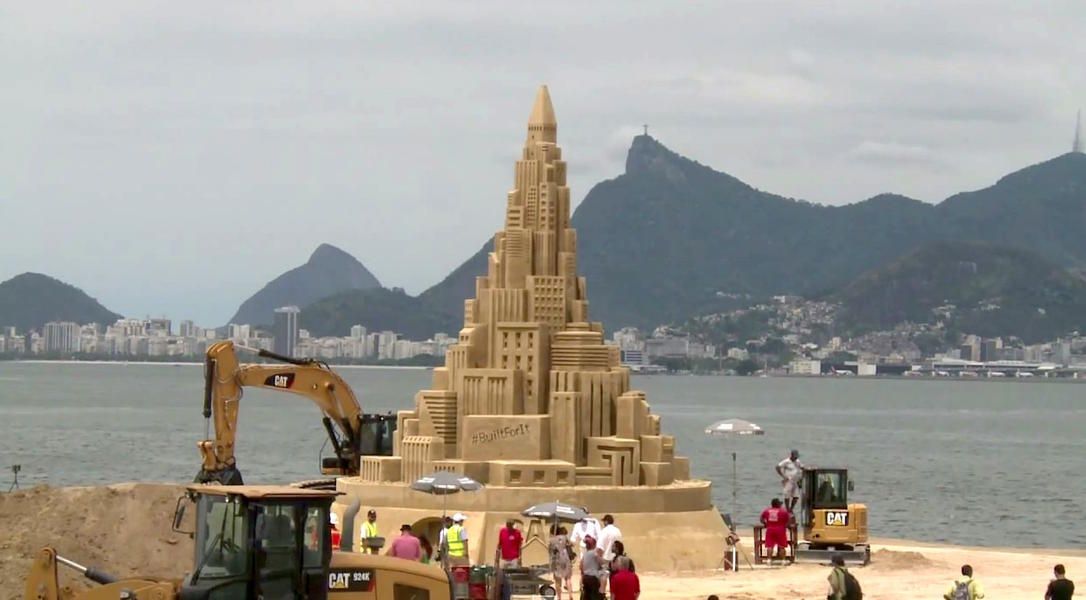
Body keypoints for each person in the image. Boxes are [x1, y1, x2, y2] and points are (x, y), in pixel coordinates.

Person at [759, 498, 791, 563]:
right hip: (780, 530)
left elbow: (761, 519)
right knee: (782, 546)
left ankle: (769, 560)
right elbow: (789, 521)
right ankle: (783, 560)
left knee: (770, 546)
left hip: (770, 529)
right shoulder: (783, 511)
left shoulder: (767, 511)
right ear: (778, 504)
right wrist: (786, 525)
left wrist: (765, 523)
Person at [597, 515, 621, 594]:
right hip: (616, 558)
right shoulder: (617, 531)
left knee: (603, 577)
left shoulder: (604, 531)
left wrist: (598, 558)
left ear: (606, 522)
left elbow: (600, 546)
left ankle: (602, 594)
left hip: (606, 558)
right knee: (615, 579)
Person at [548, 525, 573, 600]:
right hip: (565, 558)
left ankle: (559, 597)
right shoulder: (565, 537)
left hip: (557, 559)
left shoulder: (552, 540)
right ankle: (570, 595)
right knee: (568, 578)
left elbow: (550, 552)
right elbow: (572, 544)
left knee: (557, 580)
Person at [579, 535, 604, 600]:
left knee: (587, 596)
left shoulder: (585, 554)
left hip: (586, 577)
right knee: (594, 596)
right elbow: (600, 562)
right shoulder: (594, 553)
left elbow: (581, 566)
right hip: (593, 578)